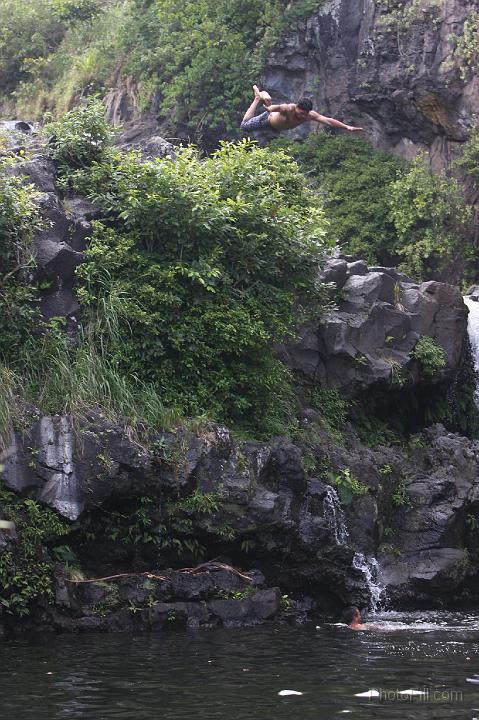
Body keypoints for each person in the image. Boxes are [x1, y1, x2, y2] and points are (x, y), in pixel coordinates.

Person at [240, 84, 363, 136]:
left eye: (305, 114)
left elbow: (328, 120)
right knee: (244, 126)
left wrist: (346, 127)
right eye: (301, 113)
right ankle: (257, 98)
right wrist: (269, 107)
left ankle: (264, 97)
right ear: (297, 107)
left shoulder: (310, 115)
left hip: (277, 129)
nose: (303, 116)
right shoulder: (289, 108)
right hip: (267, 121)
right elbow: (277, 107)